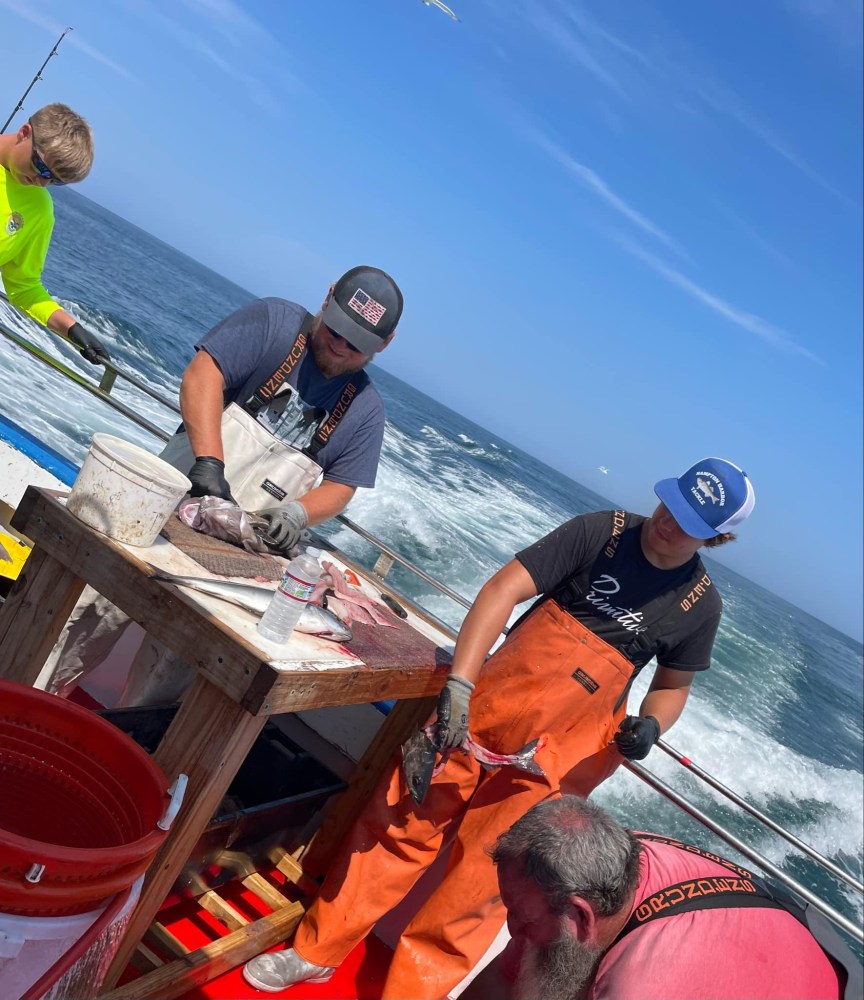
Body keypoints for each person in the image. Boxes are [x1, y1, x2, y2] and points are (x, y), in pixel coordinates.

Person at [242, 457, 757, 997]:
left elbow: (672, 686)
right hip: (482, 710)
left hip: (557, 756)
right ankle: (316, 951)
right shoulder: (601, 532)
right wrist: (461, 684)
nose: (668, 523)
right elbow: (501, 591)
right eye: (670, 504)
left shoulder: (700, 606)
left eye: (689, 524)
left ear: (715, 539)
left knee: (482, 884)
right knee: (397, 825)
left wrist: (651, 725)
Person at [41, 265, 402, 697]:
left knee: (174, 667)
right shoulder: (274, 322)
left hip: (238, 552)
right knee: (91, 615)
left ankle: (125, 739)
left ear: (385, 344)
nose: (340, 347)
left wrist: (298, 512)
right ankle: (30, 695)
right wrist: (210, 462)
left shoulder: (365, 410)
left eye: (357, 345)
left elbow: (342, 485)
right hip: (164, 505)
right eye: (337, 331)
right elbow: (202, 375)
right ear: (327, 298)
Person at [464, 795, 857, 1000]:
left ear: (582, 917)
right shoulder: (618, 855)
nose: (510, 928)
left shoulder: (641, 985)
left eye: (522, 919)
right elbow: (504, 978)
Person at [0, 103, 109, 365]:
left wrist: (72, 329)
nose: (42, 181)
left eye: (56, 181)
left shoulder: (40, 210)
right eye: (42, 167)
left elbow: (24, 286)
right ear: (25, 132)